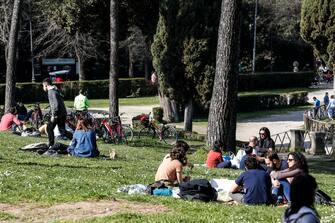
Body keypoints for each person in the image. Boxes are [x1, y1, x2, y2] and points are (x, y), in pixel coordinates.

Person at [42, 78, 73, 148]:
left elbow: (55, 104)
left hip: (58, 115)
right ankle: (75, 139)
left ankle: (51, 144)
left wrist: (53, 115)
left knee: (49, 128)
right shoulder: (55, 90)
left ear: (46, 85)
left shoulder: (51, 92)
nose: (43, 88)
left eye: (43, 86)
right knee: (62, 131)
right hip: (62, 113)